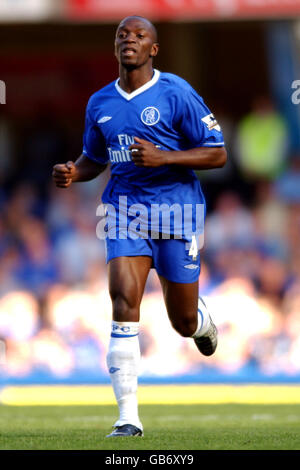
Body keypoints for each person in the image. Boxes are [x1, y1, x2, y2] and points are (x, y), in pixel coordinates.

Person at [52, 16, 227, 438]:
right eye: (122, 35)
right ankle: (128, 418)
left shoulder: (176, 93)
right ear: (116, 48)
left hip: (177, 212)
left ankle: (200, 319)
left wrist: (165, 157)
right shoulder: (99, 103)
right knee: (122, 300)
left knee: (180, 322)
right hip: (124, 209)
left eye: (139, 35)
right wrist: (75, 172)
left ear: (154, 49)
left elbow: (217, 154)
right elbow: (95, 157)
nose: (129, 39)